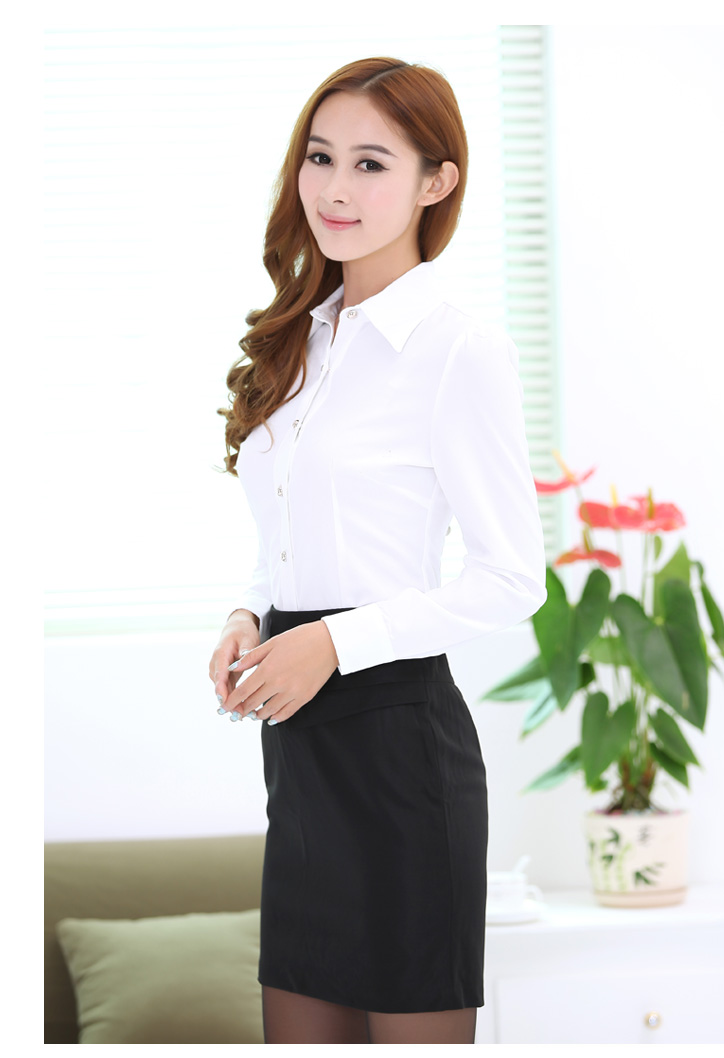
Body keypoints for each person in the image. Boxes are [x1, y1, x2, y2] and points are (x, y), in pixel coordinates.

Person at [208, 56, 547, 1045]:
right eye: (320, 158)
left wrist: (332, 641)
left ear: (435, 181)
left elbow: (511, 578)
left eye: (370, 163)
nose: (335, 188)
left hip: (400, 748)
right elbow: (290, 538)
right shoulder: (298, 342)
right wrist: (248, 614)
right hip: (298, 749)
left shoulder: (457, 348)